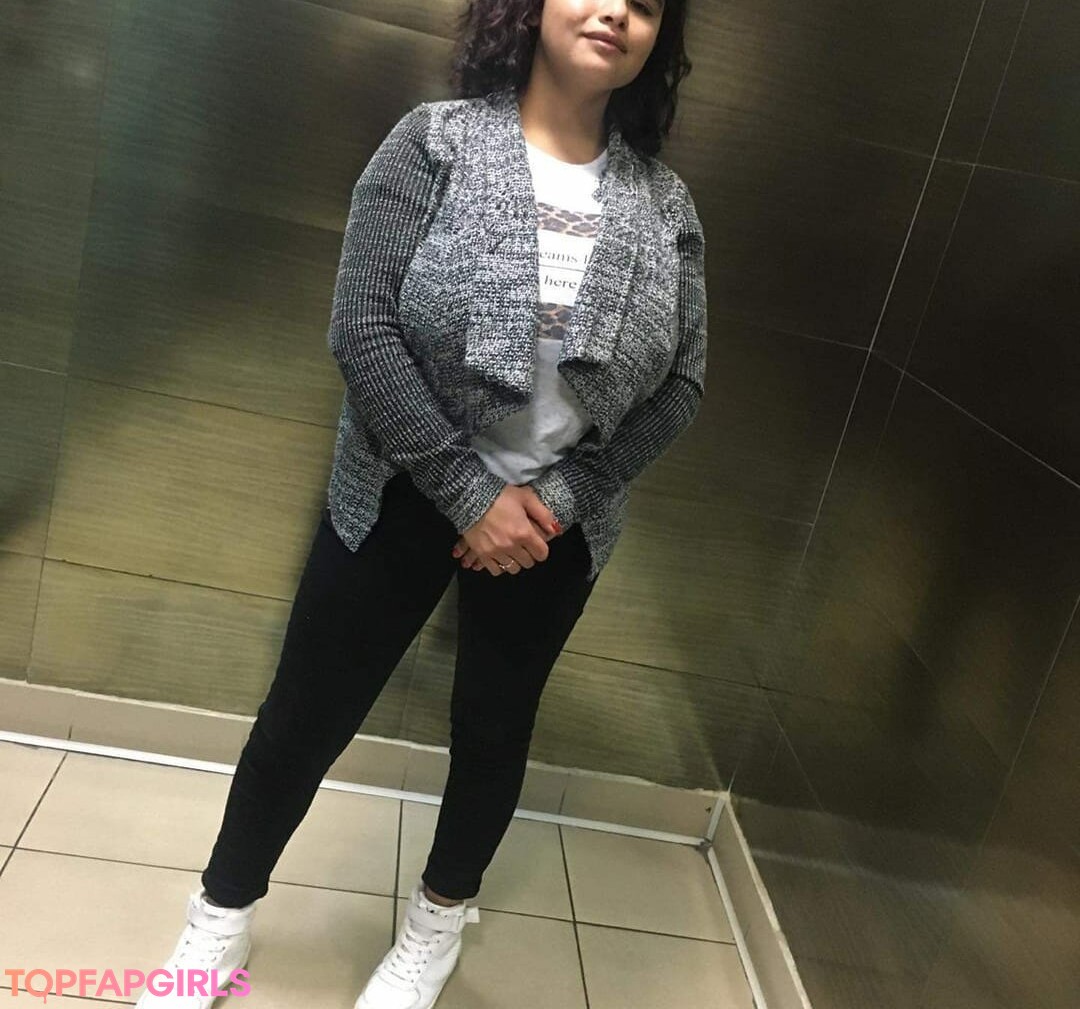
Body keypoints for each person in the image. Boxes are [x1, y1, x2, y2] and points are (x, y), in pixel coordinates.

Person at [136, 0, 704, 1006]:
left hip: (552, 528)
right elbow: (361, 325)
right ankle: (219, 915)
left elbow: (683, 385)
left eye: (649, 1)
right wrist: (466, 491)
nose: (618, 10)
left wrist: (559, 498)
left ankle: (433, 931)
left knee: (493, 732)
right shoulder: (433, 143)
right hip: (399, 489)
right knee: (303, 718)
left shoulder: (666, 206)